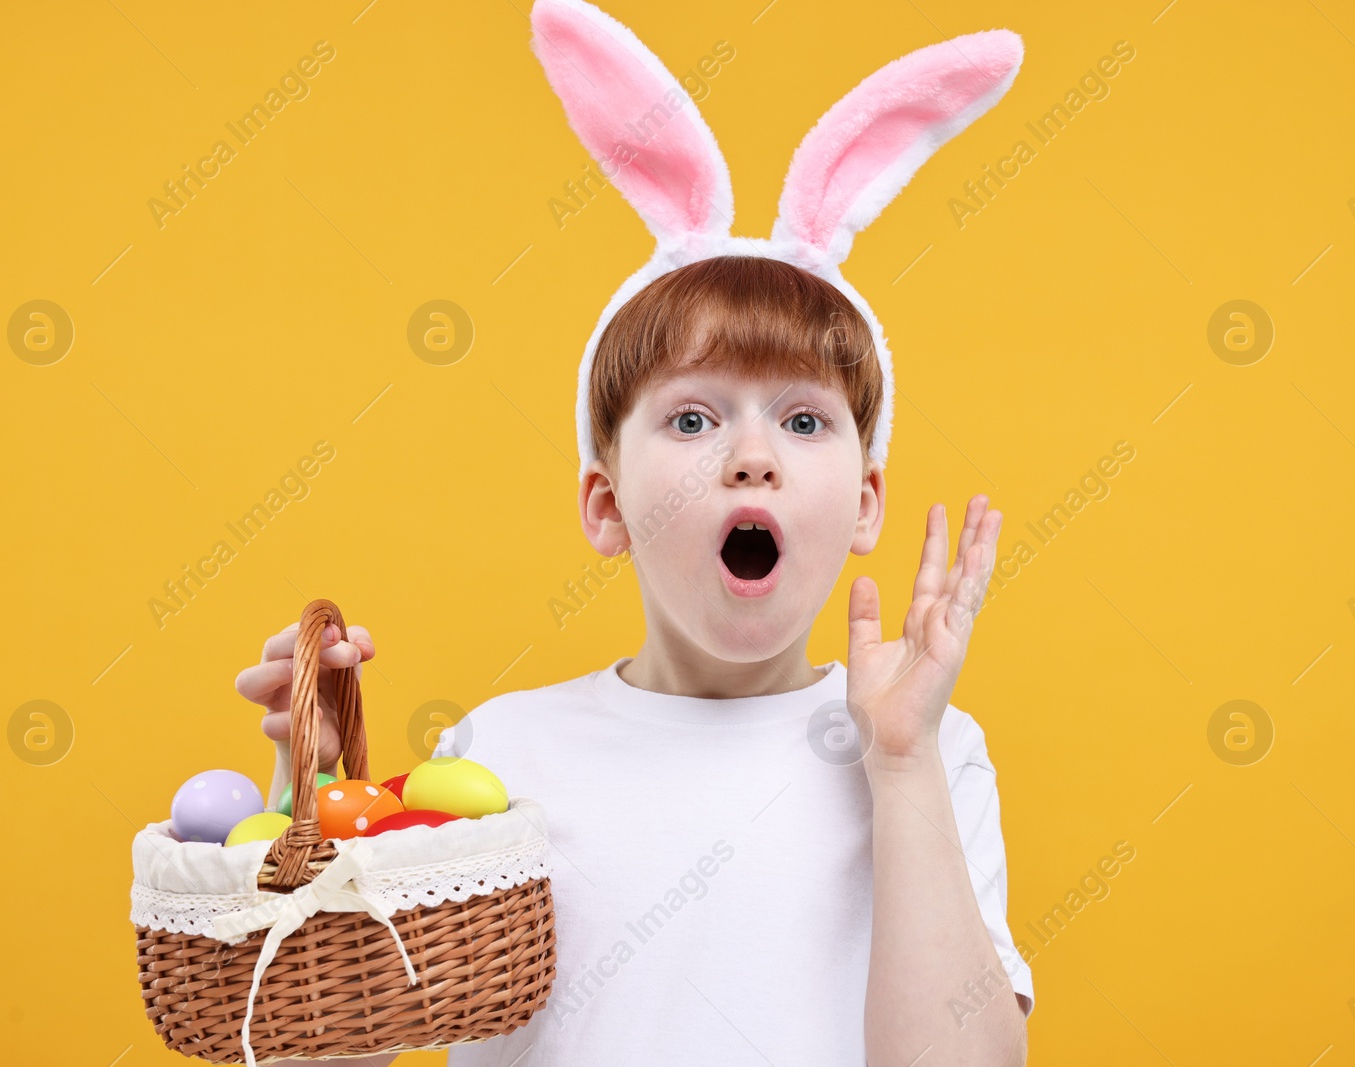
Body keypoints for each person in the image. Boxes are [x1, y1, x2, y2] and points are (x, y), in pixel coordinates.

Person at [234, 3, 1032, 1063]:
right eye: (694, 418)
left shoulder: (931, 758)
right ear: (607, 506)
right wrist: (318, 809)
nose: (753, 455)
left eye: (802, 418)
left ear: (865, 502)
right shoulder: (497, 758)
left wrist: (899, 764)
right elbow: (326, 1050)